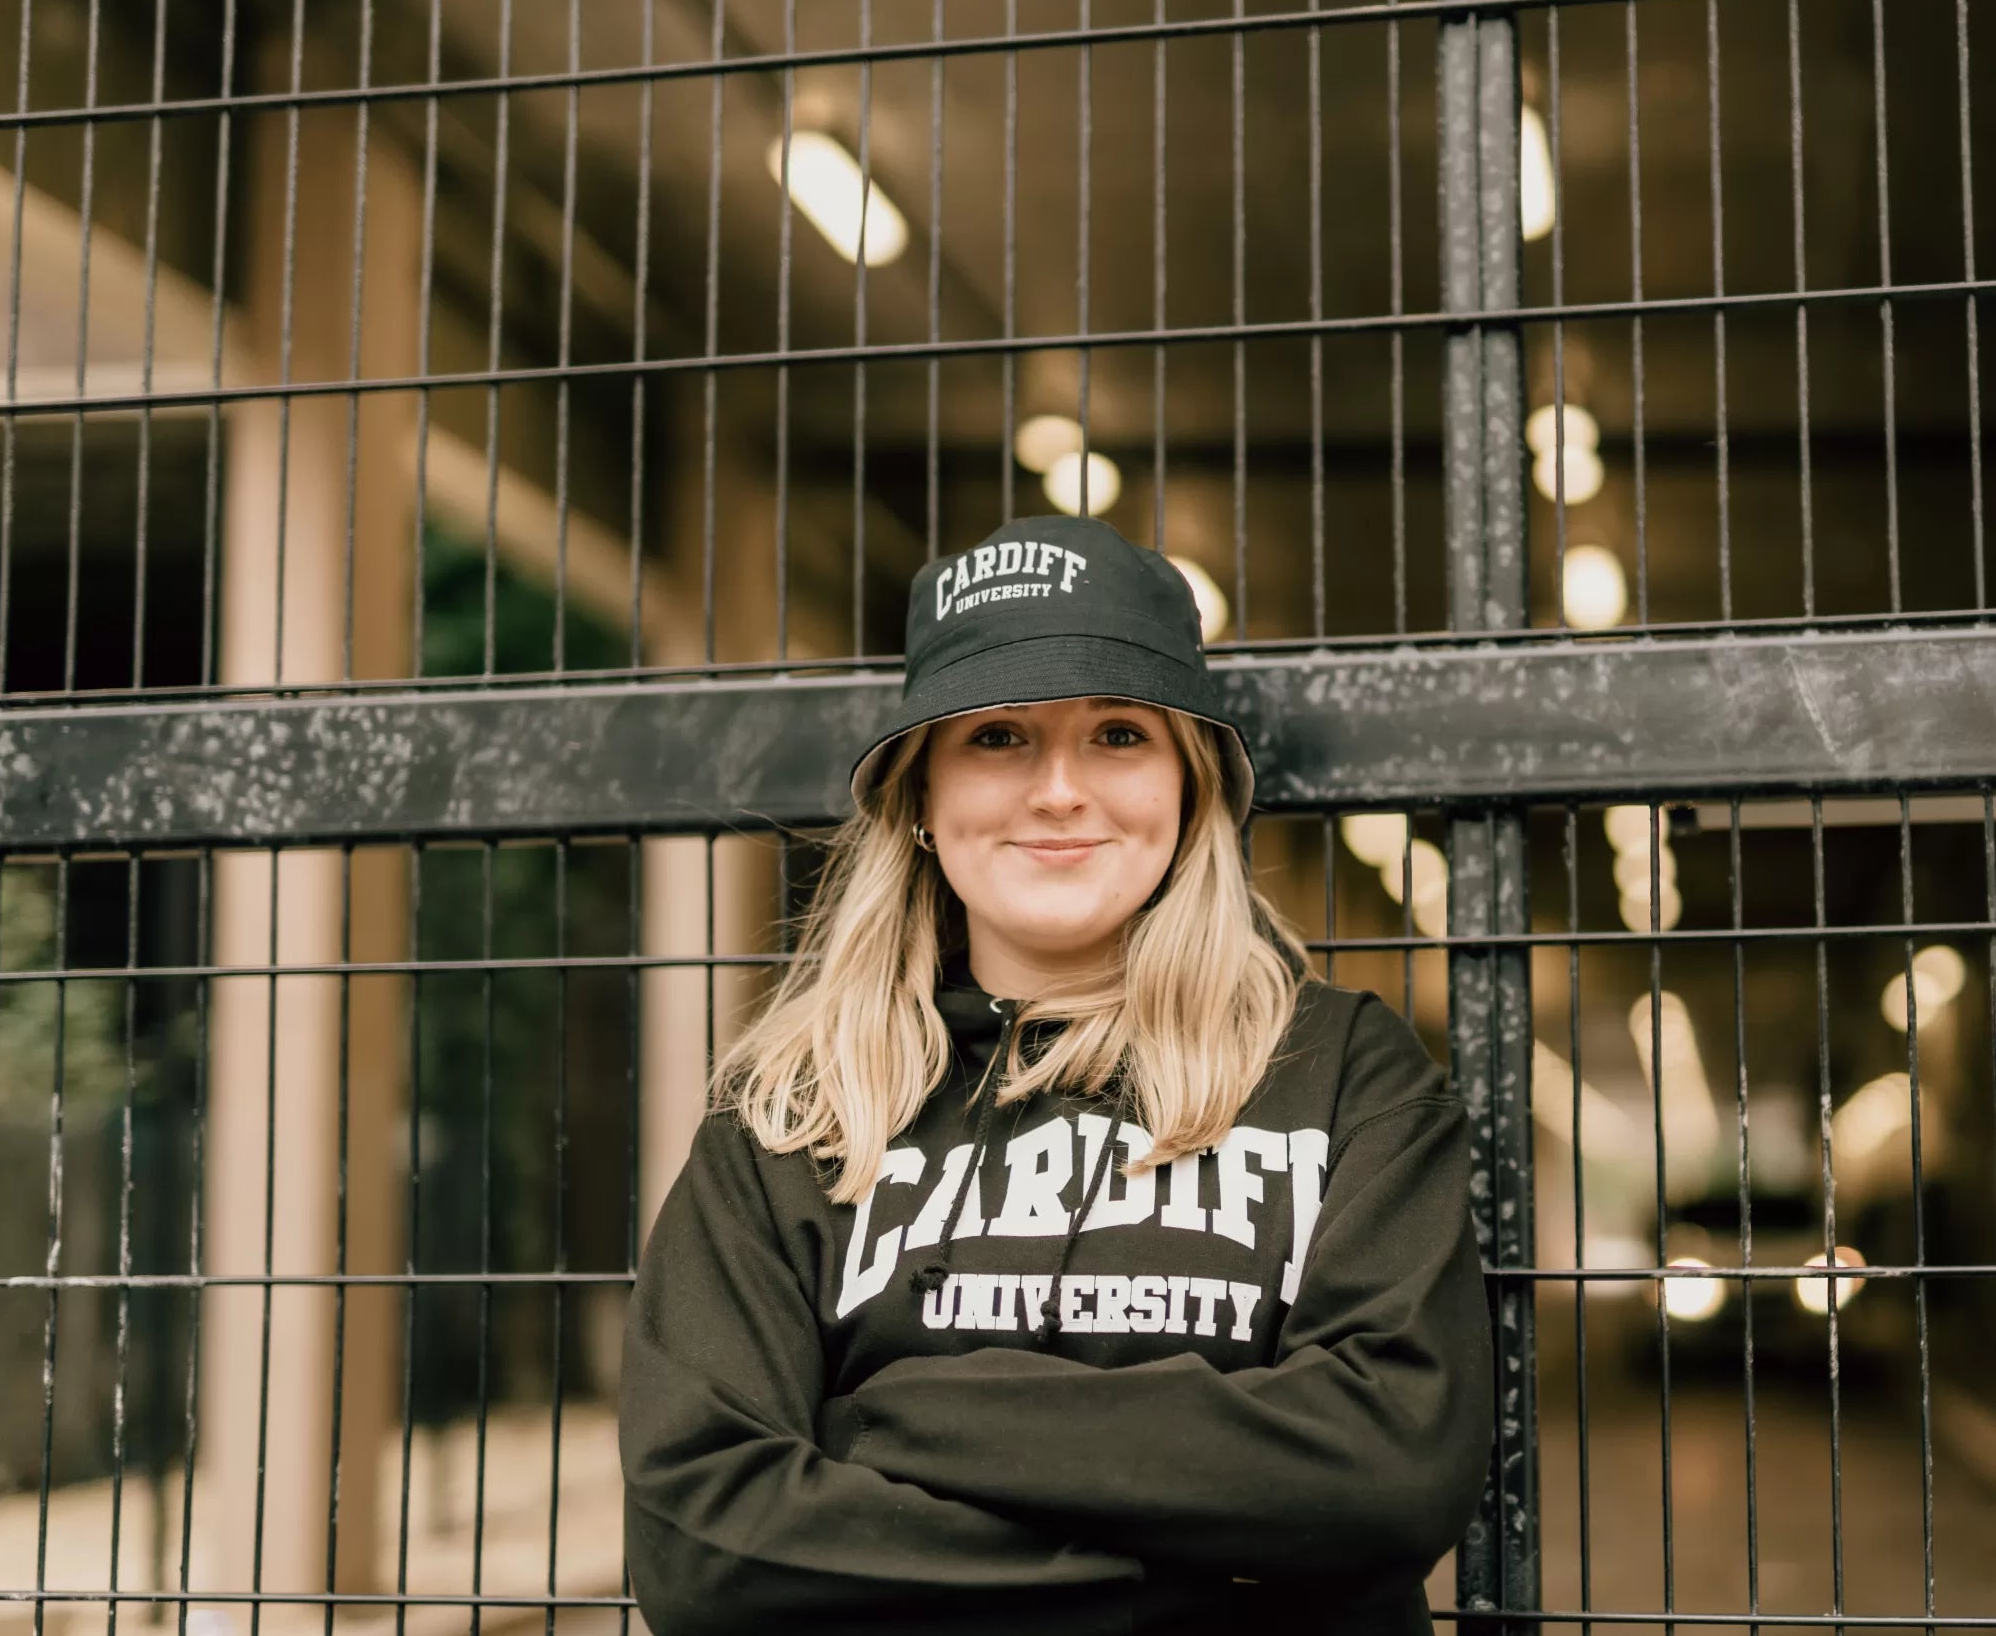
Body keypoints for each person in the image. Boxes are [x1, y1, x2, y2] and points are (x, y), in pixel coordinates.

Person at [617, 513, 1495, 1634]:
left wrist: (888, 1421)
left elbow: (1393, 1466)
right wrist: (1197, 1585)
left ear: (1190, 788)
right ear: (921, 798)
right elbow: (706, 1545)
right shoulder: (795, 1113)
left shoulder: (1340, 1074)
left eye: (1119, 734)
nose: (1060, 791)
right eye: (997, 736)